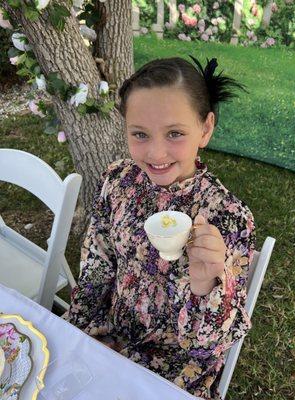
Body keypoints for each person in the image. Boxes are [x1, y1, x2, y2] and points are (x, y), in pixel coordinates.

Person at [64, 56, 256, 400]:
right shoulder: (119, 180)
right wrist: (79, 333)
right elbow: (97, 263)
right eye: (140, 134)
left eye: (175, 133)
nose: (155, 152)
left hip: (171, 374)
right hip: (107, 338)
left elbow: (206, 350)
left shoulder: (227, 217)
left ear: (206, 128)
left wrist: (204, 283)